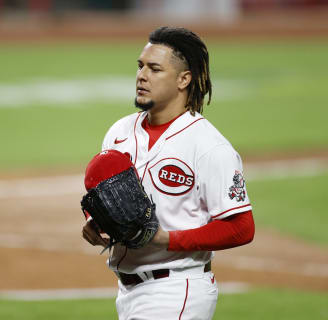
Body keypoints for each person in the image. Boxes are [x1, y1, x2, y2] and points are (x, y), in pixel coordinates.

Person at [81, 26, 255, 320]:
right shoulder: (120, 132)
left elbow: (241, 227)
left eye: (155, 69)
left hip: (177, 289)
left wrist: (168, 240)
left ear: (183, 79)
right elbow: (106, 196)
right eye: (140, 66)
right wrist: (95, 221)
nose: (142, 76)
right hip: (128, 293)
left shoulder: (209, 147)